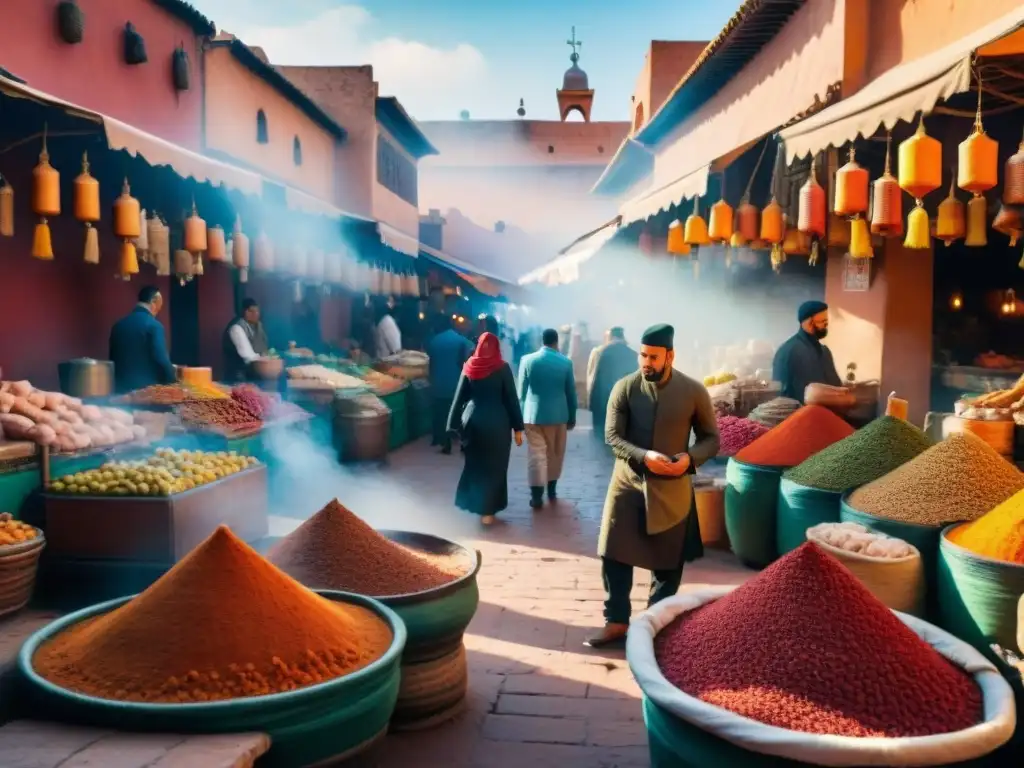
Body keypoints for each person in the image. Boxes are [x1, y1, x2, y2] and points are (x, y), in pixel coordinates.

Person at [588, 324, 720, 648]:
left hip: (673, 487)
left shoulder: (693, 391)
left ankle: (652, 626)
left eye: (653, 357)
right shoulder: (624, 388)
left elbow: (711, 439)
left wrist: (689, 460)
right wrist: (644, 456)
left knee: (668, 562)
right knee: (614, 553)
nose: (646, 362)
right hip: (628, 484)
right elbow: (613, 437)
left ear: (670, 356)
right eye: (643, 355)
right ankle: (616, 621)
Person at [447, 332, 525, 526]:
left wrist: (452, 426)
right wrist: (518, 428)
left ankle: (477, 505)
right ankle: (488, 512)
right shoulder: (502, 368)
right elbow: (511, 400)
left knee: (476, 466)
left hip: (473, 424)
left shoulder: (469, 366)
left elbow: (458, 399)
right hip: (498, 424)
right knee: (495, 468)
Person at [517, 328, 577, 508]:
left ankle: (536, 495)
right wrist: (572, 416)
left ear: (541, 341)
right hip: (558, 415)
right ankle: (551, 490)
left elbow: (521, 393)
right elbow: (571, 393)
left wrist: (520, 417)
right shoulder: (565, 363)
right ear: (556, 342)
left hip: (532, 415)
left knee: (536, 455)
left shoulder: (527, 360)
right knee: (555, 453)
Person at [109, 286, 176, 394]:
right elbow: (161, 360)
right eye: (159, 307)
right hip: (145, 392)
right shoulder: (154, 326)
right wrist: (174, 382)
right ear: (154, 301)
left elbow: (112, 359)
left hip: (119, 390)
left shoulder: (118, 325)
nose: (158, 311)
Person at [772, 300, 842, 402]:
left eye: (826, 322)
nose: (826, 326)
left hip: (826, 413)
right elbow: (781, 394)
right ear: (809, 322)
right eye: (822, 322)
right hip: (799, 414)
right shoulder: (788, 352)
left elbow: (836, 386)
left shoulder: (824, 351)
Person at [427, 314, 473, 454]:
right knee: (459, 414)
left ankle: (445, 444)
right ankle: (463, 444)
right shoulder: (460, 340)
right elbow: (466, 358)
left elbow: (431, 364)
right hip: (456, 384)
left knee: (443, 415)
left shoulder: (434, 341)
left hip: (439, 385)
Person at [587, 327, 637, 441]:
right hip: (624, 403)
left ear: (609, 337)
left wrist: (591, 404)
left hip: (602, 404)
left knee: (601, 440)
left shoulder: (600, 352)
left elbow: (593, 379)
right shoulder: (633, 355)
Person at [223, 298, 270, 382]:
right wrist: (266, 361)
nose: (255, 314)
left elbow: (263, 348)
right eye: (251, 311)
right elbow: (248, 355)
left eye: (257, 311)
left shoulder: (258, 326)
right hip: (239, 376)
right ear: (243, 312)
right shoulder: (237, 327)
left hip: (253, 373)